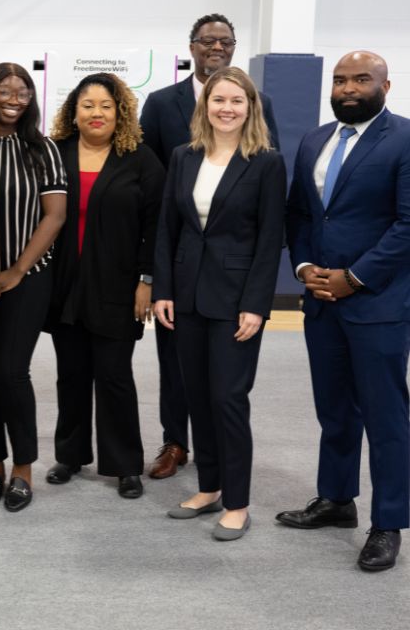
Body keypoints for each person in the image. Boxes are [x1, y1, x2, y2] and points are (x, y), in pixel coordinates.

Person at [277, 51, 410, 572]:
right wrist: (306, 264)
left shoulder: (402, 138)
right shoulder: (315, 138)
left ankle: (388, 523)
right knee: (334, 409)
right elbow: (301, 212)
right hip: (322, 300)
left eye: (360, 79)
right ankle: (336, 500)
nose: (348, 87)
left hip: (376, 303)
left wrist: (355, 278)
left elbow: (407, 225)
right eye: (340, 79)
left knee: (385, 417)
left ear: (385, 84)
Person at [140, 12, 280, 480]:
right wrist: (155, 277)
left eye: (225, 40)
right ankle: (175, 442)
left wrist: (257, 299)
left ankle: (223, 478)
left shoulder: (260, 112)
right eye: (207, 40)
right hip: (181, 272)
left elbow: (265, 205)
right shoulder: (162, 106)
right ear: (192, 47)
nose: (216, 47)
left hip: (231, 276)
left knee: (224, 390)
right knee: (179, 369)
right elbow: (157, 202)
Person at [153, 66, 285, 541]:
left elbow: (271, 239)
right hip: (185, 295)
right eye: (218, 100)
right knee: (197, 396)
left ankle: (237, 501)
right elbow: (169, 230)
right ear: (204, 106)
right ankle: (208, 487)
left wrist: (257, 304)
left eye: (237, 101)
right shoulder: (183, 157)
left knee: (228, 398)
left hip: (235, 301)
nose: (226, 108)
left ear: (251, 108)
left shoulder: (266, 162)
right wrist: (163, 290)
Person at [44, 73, 164, 500]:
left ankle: (124, 464)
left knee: (114, 376)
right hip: (64, 287)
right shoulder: (54, 155)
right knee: (70, 374)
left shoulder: (140, 159)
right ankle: (70, 455)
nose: (97, 113)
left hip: (118, 287)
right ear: (73, 113)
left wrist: (147, 280)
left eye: (106, 106)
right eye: (88, 105)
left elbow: (156, 227)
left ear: (121, 113)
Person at [0, 63, 66, 512]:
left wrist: (17, 270)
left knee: (10, 371)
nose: (14, 98)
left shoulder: (42, 148)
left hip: (27, 277)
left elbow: (55, 215)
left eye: (22, 91)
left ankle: (23, 468)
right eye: (4, 90)